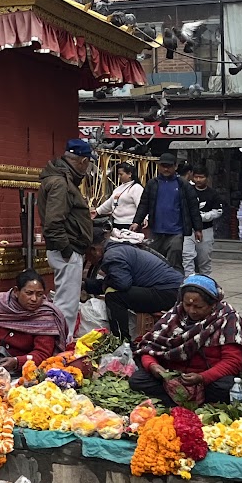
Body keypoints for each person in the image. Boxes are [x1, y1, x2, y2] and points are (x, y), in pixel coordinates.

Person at [129, 275, 242, 406]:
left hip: (207, 380)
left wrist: (202, 378)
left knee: (226, 387)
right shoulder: (174, 316)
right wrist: (154, 366)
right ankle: (179, 402)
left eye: (198, 307)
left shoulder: (227, 319)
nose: (191, 311)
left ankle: (188, 402)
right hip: (173, 378)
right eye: (187, 304)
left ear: (212, 304)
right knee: (138, 380)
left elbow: (233, 362)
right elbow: (148, 348)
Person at [0, 270, 68, 376]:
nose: (34, 299)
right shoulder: (1, 303)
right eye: (29, 293)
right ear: (16, 291)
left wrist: (17, 361)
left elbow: (42, 353)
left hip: (24, 366)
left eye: (39, 294)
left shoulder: (45, 316)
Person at [36, 138, 94, 334]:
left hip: (65, 248)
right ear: (83, 161)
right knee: (66, 305)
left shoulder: (59, 179)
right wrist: (67, 250)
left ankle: (58, 340)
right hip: (67, 250)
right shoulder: (61, 183)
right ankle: (61, 343)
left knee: (65, 301)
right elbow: (53, 222)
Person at [83, 234, 183, 340]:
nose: (88, 259)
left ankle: (120, 340)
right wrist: (87, 285)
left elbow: (122, 284)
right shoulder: (117, 249)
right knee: (112, 290)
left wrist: (103, 285)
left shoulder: (112, 256)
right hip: (171, 288)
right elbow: (114, 280)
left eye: (87, 255)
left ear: (94, 250)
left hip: (168, 291)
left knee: (113, 296)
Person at [133, 153, 202, 275]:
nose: (166, 169)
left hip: (176, 232)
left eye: (169, 166)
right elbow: (144, 204)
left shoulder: (183, 185)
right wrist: (136, 221)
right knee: (153, 263)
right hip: (156, 231)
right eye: (163, 166)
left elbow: (193, 208)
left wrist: (198, 229)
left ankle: (176, 288)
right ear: (159, 166)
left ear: (175, 167)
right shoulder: (152, 184)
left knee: (175, 262)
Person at [187, 168, 224, 277]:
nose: (198, 180)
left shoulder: (213, 194)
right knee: (187, 259)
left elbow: (218, 211)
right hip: (188, 230)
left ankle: (205, 284)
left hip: (205, 230)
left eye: (201, 177)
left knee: (204, 260)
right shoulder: (188, 191)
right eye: (196, 177)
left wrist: (202, 217)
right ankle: (189, 283)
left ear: (207, 178)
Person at [94, 163, 142, 232]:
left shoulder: (137, 188)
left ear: (129, 174)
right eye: (118, 174)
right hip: (116, 223)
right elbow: (110, 202)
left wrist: (142, 220)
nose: (119, 176)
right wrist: (98, 211)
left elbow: (141, 206)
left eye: (121, 174)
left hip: (130, 224)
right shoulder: (118, 188)